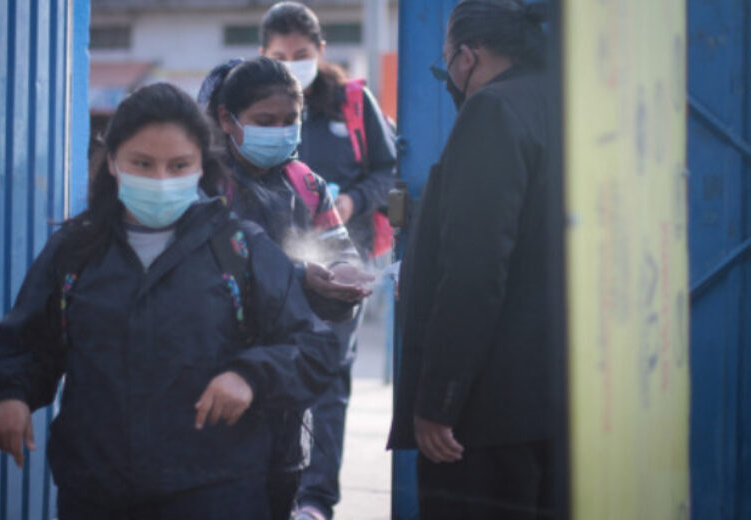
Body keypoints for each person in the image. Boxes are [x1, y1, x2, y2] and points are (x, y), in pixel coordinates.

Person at [0, 82, 338, 520]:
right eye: (142, 164)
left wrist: (250, 376)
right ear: (113, 162)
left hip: (218, 490)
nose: (161, 180)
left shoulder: (238, 248)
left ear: (200, 166)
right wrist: (9, 395)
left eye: (178, 165)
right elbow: (27, 343)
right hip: (96, 491)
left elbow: (315, 347)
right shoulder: (74, 251)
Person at [387, 1, 555, 519]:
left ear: (467, 57)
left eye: (446, 65)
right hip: (557, 405)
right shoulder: (564, 102)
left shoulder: (493, 111)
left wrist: (439, 401)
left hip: (487, 415)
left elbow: (474, 272)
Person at [198, 56, 374, 520]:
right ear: (227, 120)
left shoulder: (307, 184)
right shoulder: (203, 185)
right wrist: (300, 276)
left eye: (289, 121)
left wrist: (343, 278)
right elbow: (209, 272)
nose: (279, 132)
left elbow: (337, 251)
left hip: (286, 391)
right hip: (213, 381)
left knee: (278, 492)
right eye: (264, 121)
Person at [258, 4, 398, 519]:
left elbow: (389, 168)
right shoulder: (256, 107)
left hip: (342, 260)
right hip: (275, 265)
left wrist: (352, 202)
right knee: (272, 371)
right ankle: (274, 491)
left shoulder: (353, 103)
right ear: (262, 55)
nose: (291, 64)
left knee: (328, 378)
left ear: (320, 50)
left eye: (301, 53)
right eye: (279, 56)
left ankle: (315, 501)